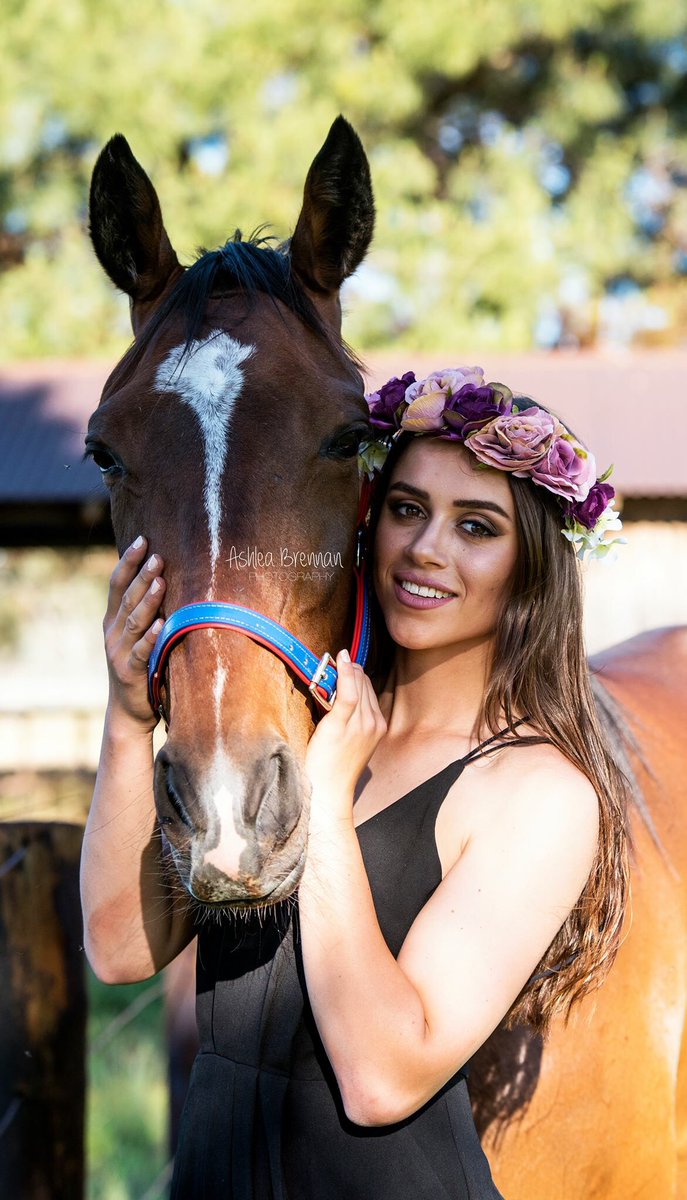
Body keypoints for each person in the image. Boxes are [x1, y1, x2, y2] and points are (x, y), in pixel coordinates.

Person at [81, 365, 630, 1198]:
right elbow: (120, 952)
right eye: (406, 509)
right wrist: (128, 719)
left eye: (476, 526)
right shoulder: (293, 726)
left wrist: (329, 809)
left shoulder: (537, 791)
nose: (425, 549)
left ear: (531, 566)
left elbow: (382, 1079)